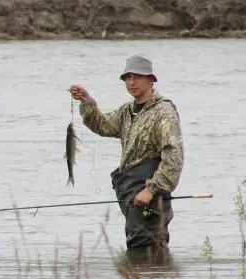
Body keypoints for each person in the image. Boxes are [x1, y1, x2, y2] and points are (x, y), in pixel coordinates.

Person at [69, 54, 185, 251]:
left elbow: (174, 156)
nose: (132, 82)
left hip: (150, 193)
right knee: (139, 247)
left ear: (151, 80)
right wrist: (87, 100)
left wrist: (151, 189)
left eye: (138, 77)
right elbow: (104, 125)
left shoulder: (164, 112)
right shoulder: (127, 111)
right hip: (130, 191)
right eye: (127, 77)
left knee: (146, 247)